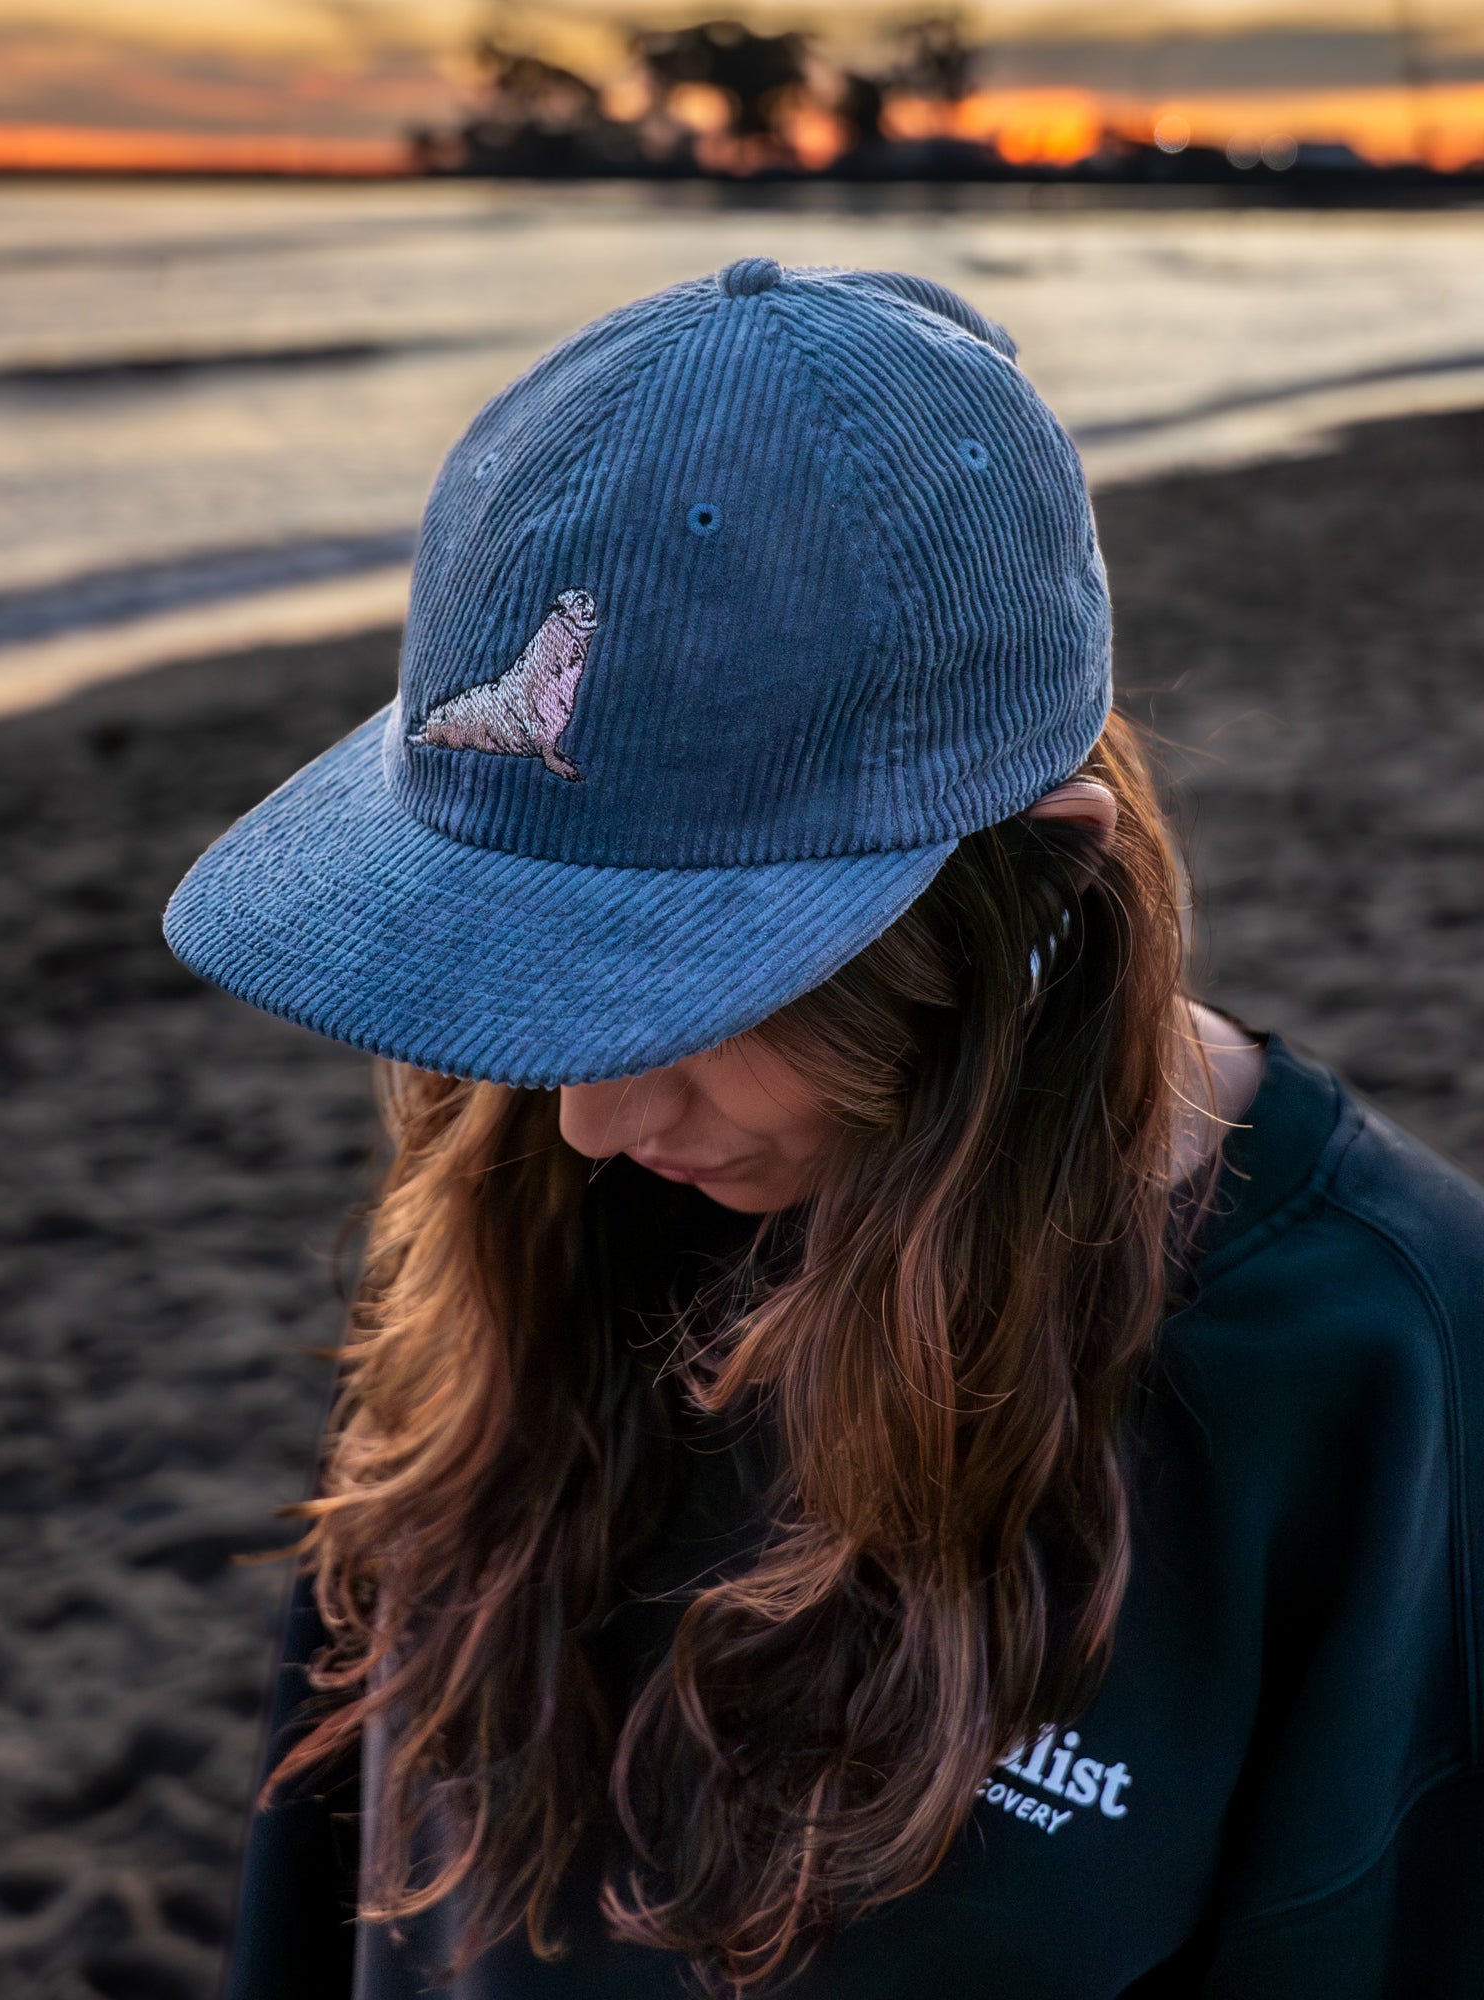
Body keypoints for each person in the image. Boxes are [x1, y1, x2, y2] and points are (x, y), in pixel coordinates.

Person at [164, 259, 1484, 1999]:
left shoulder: (1386, 1376)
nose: (586, 1115)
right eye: (533, 969)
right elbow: (331, 1881)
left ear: (1036, 882)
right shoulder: (517, 1202)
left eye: (692, 986)